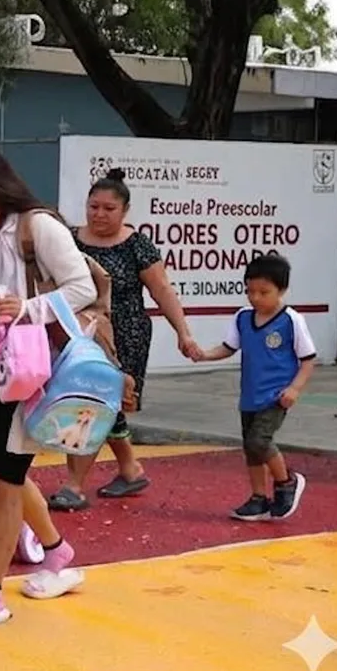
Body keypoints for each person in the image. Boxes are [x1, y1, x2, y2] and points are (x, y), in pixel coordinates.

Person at [0, 141, 90, 631]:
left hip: (28, 375)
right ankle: (56, 551)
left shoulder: (36, 225)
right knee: (9, 473)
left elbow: (82, 287)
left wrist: (27, 308)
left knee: (5, 481)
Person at [50, 167, 202, 510]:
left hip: (126, 336)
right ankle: (131, 470)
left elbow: (162, 290)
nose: (99, 214)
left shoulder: (137, 245)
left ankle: (74, 486)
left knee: (96, 406)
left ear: (124, 211)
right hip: (80, 335)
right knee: (96, 404)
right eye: (93, 206)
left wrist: (183, 332)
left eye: (108, 208)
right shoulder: (70, 240)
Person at [188, 253, 312, 521]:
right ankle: (258, 498)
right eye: (250, 291)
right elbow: (228, 348)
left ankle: (286, 482)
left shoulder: (291, 320)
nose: (255, 298)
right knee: (251, 448)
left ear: (282, 290)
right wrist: (204, 355)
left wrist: (294, 389)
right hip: (250, 395)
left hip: (275, 396)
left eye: (263, 292)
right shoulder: (243, 318)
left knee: (259, 440)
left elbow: (307, 360)